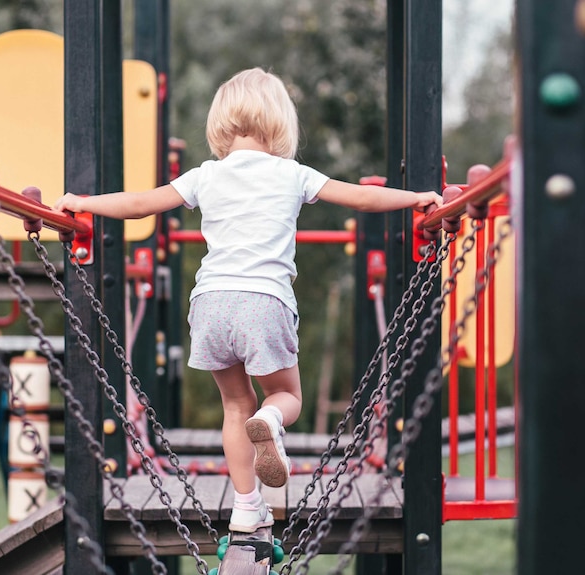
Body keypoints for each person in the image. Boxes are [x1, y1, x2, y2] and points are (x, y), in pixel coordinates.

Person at [54, 67, 442, 533]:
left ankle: (245, 507)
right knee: (285, 395)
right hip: (264, 301)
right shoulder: (292, 174)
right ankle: (272, 420)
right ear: (280, 123)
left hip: (211, 304)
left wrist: (82, 202)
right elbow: (361, 198)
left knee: (235, 407)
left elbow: (139, 204)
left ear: (219, 123)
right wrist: (416, 198)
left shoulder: (205, 176)